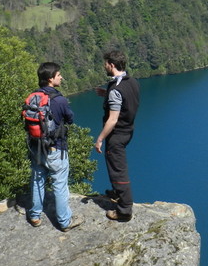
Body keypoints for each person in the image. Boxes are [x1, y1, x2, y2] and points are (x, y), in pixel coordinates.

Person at [27, 62, 83, 232]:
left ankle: (35, 216)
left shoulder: (32, 97)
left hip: (35, 147)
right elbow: (70, 119)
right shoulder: (59, 100)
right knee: (59, 183)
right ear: (51, 79)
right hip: (55, 149)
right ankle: (64, 221)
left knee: (37, 180)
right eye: (59, 75)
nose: (61, 77)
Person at [94, 50, 140, 222]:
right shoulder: (132, 82)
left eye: (105, 64)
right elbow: (126, 100)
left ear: (111, 65)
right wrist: (106, 94)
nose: (104, 66)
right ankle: (117, 192)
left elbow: (112, 120)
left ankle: (124, 209)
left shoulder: (116, 89)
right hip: (128, 130)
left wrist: (100, 139)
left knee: (117, 170)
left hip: (117, 134)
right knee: (114, 165)